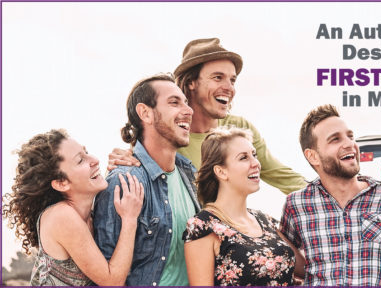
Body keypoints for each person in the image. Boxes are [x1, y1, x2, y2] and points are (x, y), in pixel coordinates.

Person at [108, 38, 306, 194]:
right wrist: (126, 159)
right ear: (192, 82)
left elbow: (281, 175)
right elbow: (143, 163)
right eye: (217, 77)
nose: (229, 88)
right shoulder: (170, 131)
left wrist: (328, 195)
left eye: (232, 80)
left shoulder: (238, 128)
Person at [279, 104, 381, 286]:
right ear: (313, 156)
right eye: (335, 139)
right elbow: (284, 262)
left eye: (350, 136)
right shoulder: (296, 204)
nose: (350, 143)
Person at [93, 73, 200, 286]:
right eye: (174, 103)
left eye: (186, 103)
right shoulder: (125, 181)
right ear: (145, 113)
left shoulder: (189, 173)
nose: (189, 111)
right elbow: (106, 276)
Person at [2, 129, 144, 286]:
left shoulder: (87, 214)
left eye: (86, 152)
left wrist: (125, 159)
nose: (95, 159)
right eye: (80, 160)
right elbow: (112, 281)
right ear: (62, 183)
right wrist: (130, 219)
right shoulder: (61, 216)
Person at [183, 126, 305, 286]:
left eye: (254, 155)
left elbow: (306, 268)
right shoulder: (203, 226)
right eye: (243, 158)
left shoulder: (265, 220)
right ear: (221, 171)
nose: (256, 163)